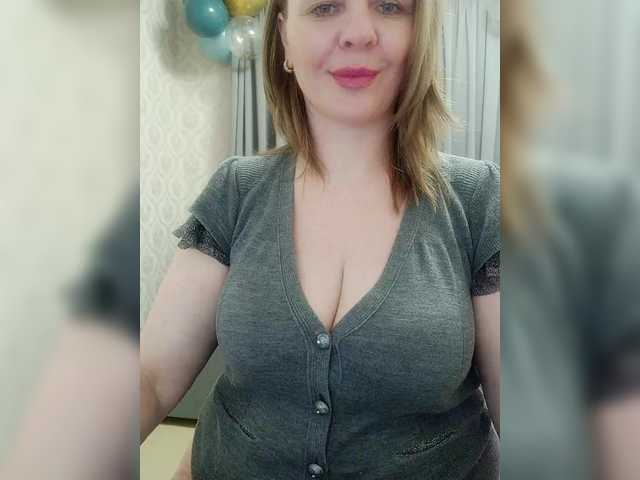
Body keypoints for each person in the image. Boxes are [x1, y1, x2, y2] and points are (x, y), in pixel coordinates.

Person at [141, 1, 500, 479]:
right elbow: (152, 378)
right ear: (284, 39)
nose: (358, 33)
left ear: (421, 33)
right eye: (325, 6)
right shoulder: (235, 190)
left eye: (389, 5)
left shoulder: (481, 200)